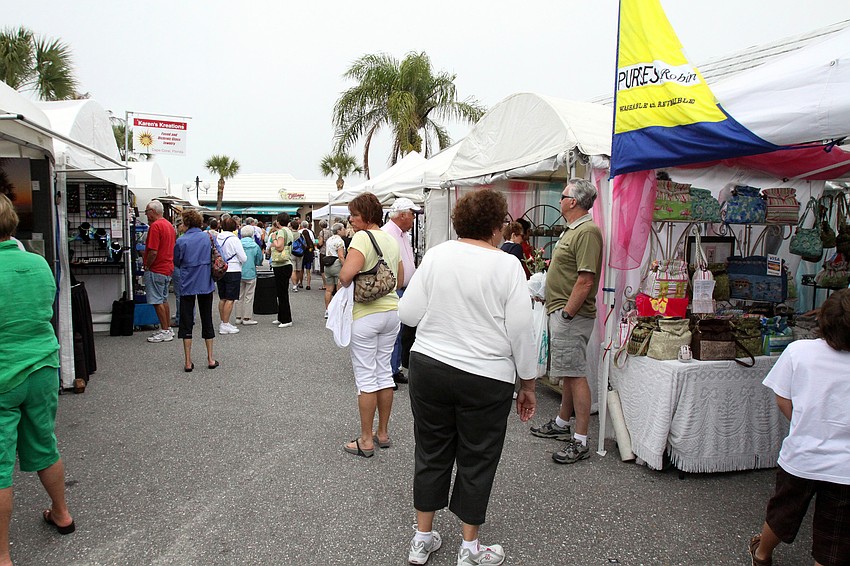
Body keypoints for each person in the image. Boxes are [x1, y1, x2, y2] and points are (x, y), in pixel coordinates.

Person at [398, 188, 536, 566]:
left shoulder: (439, 255)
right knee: (478, 457)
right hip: (486, 375)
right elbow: (522, 331)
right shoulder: (508, 266)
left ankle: (421, 539)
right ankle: (470, 549)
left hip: (431, 366)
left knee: (431, 449)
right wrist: (528, 383)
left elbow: (408, 313)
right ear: (496, 226)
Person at [749, 288, 850, 566]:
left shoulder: (799, 351)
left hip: (801, 457)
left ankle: (761, 554)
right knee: (834, 540)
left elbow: (783, 397)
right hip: (845, 469)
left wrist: (804, 422)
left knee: (782, 514)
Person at [0, 193, 76, 566]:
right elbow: (46, 308)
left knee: (0, 465)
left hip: (4, 373)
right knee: (45, 443)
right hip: (43, 366)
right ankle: (61, 513)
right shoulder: (39, 264)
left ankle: (2, 553)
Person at [529, 178, 602, 465]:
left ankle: (581, 439)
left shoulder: (587, 231)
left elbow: (585, 279)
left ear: (573, 201)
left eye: (562, 196)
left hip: (572, 314)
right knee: (568, 371)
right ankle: (562, 422)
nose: (559, 200)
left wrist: (568, 312)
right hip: (563, 311)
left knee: (574, 373)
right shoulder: (576, 230)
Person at [338, 192, 403, 459]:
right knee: (384, 373)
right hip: (391, 312)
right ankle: (383, 433)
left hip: (366, 314)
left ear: (366, 215)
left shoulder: (362, 238)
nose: (351, 219)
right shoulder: (391, 238)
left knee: (366, 377)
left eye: (354, 214)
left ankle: (365, 439)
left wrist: (348, 271)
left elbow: (345, 276)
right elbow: (399, 278)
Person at [381, 197, 420, 385]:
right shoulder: (387, 233)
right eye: (412, 214)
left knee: (400, 331)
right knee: (393, 332)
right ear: (402, 215)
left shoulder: (402, 234)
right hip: (395, 289)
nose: (413, 218)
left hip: (404, 288)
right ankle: (389, 370)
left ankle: (394, 368)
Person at [173, 209, 218, 371]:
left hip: (187, 282)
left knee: (186, 321)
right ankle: (210, 358)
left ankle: (187, 361)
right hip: (205, 281)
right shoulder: (208, 237)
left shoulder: (181, 241)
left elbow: (177, 261)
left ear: (186, 223)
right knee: (207, 319)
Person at [143, 200, 176, 343]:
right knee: (163, 299)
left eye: (146, 211)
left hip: (157, 267)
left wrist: (147, 265)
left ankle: (164, 330)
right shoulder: (168, 225)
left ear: (152, 211)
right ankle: (167, 327)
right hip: (167, 266)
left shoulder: (155, 227)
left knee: (157, 300)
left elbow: (153, 251)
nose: (145, 215)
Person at [215, 217, 247, 334]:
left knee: (222, 297)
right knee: (231, 298)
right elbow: (243, 257)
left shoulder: (218, 237)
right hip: (233, 269)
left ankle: (223, 321)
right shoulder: (234, 240)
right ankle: (225, 324)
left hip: (220, 269)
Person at [235, 225, 265, 325]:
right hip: (251, 271)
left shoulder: (238, 243)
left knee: (239, 295)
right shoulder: (255, 245)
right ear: (252, 234)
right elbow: (259, 259)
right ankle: (247, 318)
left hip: (239, 271)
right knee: (249, 296)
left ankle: (238, 317)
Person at [270, 213, 294, 328]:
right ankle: (281, 317)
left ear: (278, 222)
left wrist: (274, 240)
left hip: (281, 264)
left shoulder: (280, 232)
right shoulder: (288, 231)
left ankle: (286, 319)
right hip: (286, 263)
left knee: (282, 293)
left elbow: (279, 246)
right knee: (281, 292)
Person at [323, 222, 347, 318]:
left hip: (328, 264)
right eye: (343, 229)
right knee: (339, 289)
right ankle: (338, 310)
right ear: (339, 230)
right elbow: (341, 256)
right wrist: (345, 266)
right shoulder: (340, 241)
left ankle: (327, 310)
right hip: (336, 264)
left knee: (328, 289)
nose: (345, 230)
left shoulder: (329, 240)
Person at [300, 220, 316, 290]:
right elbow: (313, 241)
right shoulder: (311, 232)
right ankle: (308, 284)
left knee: (301, 269)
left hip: (301, 253)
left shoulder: (299, 232)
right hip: (309, 253)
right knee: (308, 270)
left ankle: (300, 283)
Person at [289, 219, 304, 292]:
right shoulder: (300, 234)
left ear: (291, 226)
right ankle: (297, 283)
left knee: (293, 270)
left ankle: (294, 285)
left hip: (292, 253)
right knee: (299, 270)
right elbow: (304, 244)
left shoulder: (289, 234)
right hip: (300, 253)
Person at [317, 219, 332, 290]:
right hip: (330, 251)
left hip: (323, 251)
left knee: (322, 269)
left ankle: (325, 284)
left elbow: (320, 242)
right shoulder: (331, 231)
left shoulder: (322, 232)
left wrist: (318, 246)